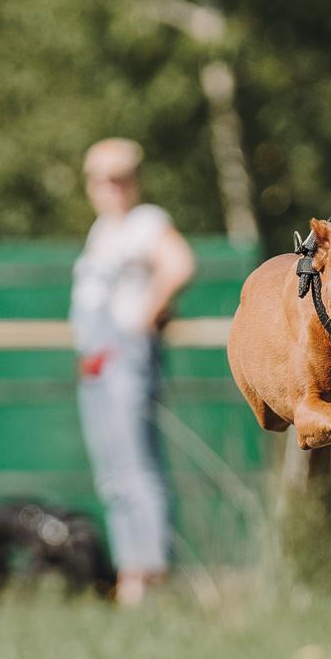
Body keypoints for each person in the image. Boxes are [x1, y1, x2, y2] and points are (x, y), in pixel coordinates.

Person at [71, 138, 195, 606]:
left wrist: (144, 316)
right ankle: (131, 574)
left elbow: (180, 264)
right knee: (113, 472)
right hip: (97, 362)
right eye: (101, 180)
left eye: (119, 179)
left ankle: (151, 574)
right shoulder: (103, 230)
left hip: (123, 356)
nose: (110, 189)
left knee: (138, 469)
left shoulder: (147, 223)